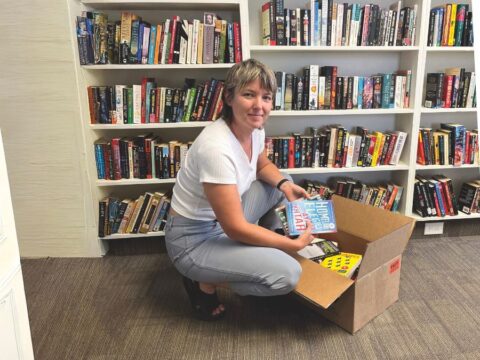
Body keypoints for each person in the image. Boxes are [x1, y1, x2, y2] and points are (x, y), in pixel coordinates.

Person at [164, 59, 314, 321]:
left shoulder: (253, 128)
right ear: (229, 97)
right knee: (286, 276)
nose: (259, 105)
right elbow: (234, 227)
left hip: (222, 221)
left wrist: (284, 185)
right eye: (249, 94)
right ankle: (203, 279)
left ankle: (252, 253)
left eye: (266, 97)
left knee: (284, 180)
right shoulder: (216, 147)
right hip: (195, 240)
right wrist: (291, 246)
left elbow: (261, 163)